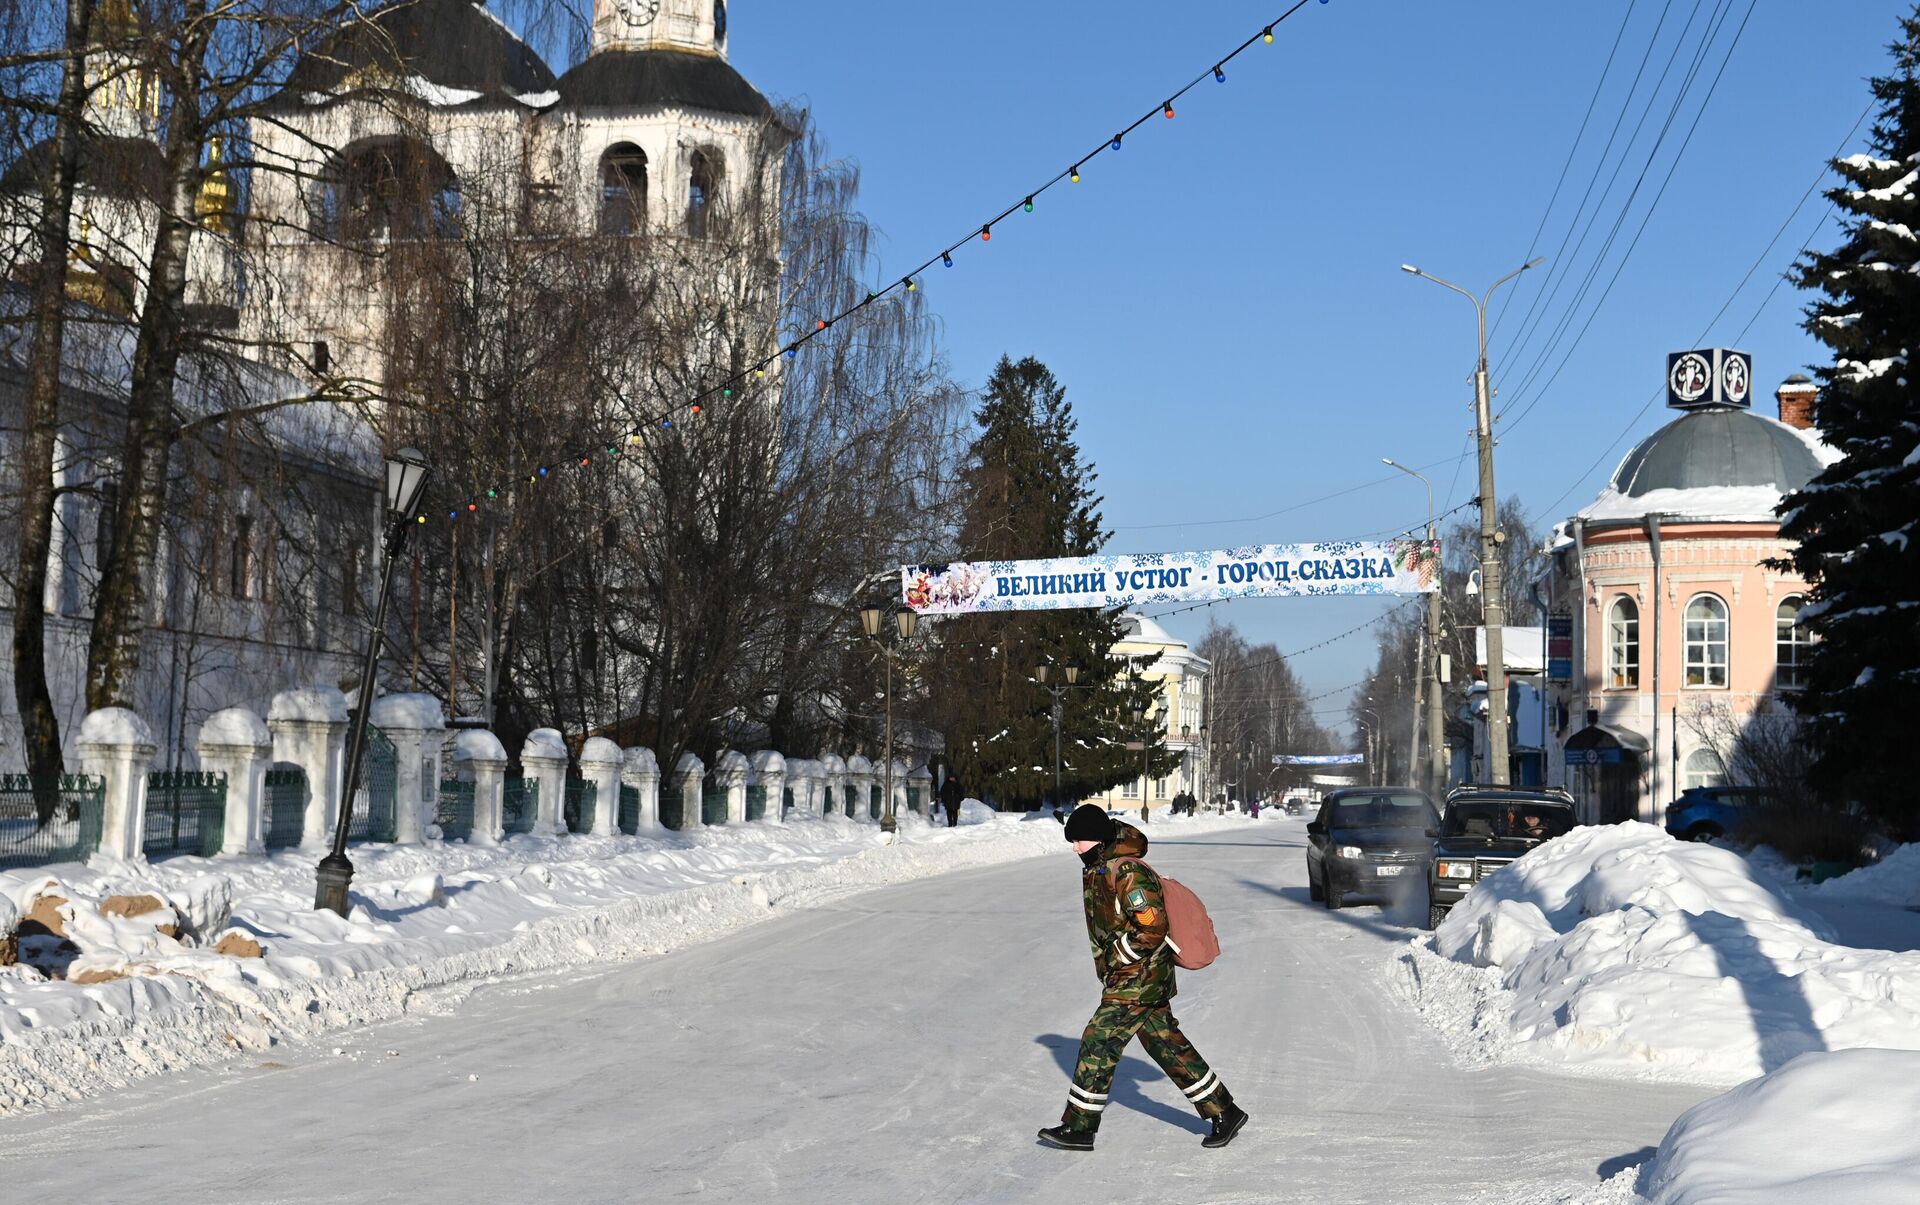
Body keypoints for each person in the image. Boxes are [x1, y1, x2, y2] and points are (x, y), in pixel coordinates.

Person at [1037, 805, 1248, 1152]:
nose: (1076, 847)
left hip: (1138, 977)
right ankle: (1225, 1110)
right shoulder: (1098, 867)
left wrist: (1117, 956)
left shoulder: (1128, 873)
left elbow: (1152, 928)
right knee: (1166, 1044)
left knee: (1098, 1040)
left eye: (1082, 840)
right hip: (1134, 977)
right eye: (1073, 841)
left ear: (1101, 840)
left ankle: (1079, 1127)